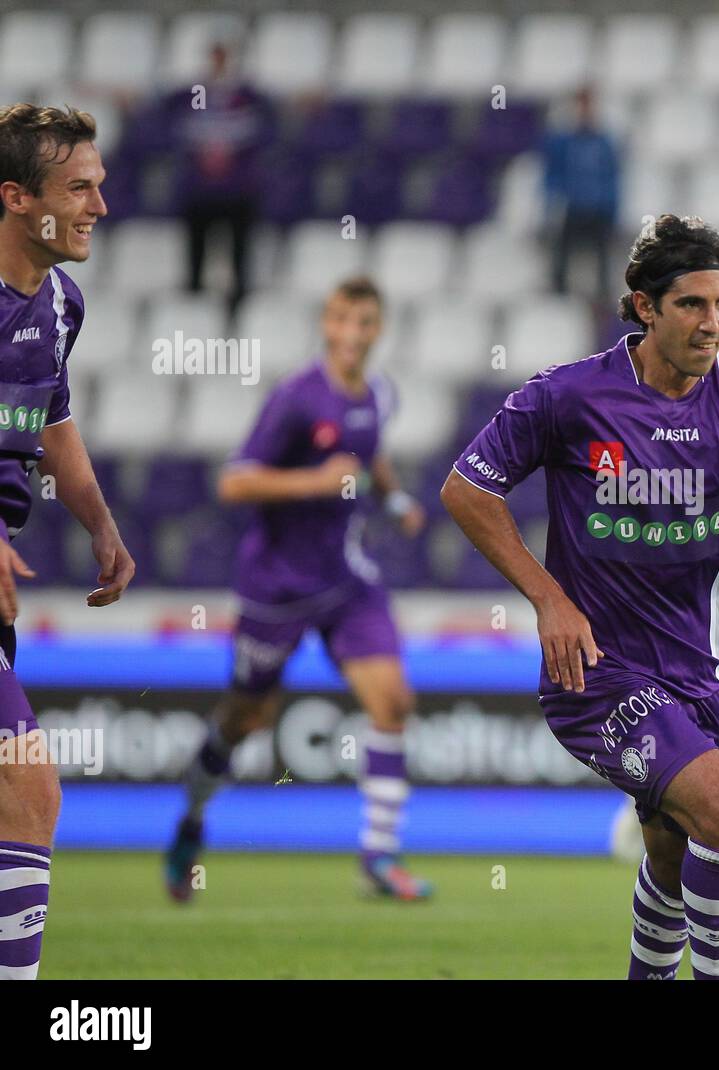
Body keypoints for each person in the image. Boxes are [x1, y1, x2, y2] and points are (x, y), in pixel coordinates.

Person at [440, 214, 719, 980]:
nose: (712, 322)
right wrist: (550, 600)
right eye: (691, 304)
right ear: (645, 306)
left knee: (675, 857)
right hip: (597, 672)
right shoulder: (569, 397)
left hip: (695, 675)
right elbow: (467, 490)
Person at [165, 277, 432, 902]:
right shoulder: (295, 399)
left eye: (366, 321)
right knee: (244, 719)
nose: (353, 333)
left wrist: (393, 500)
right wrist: (316, 482)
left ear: (377, 329)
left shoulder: (379, 393)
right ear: (327, 324)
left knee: (392, 702)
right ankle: (191, 821)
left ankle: (380, 856)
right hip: (276, 588)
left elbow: (370, 456)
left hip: (345, 579)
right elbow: (235, 483)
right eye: (343, 319)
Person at [0, 104, 135, 978]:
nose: (99, 205)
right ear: (15, 197)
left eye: (100, 184)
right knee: (28, 786)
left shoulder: (60, 303)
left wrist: (100, 521)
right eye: (78, 188)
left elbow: (50, 419)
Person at [168, 42, 275, 313]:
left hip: (238, 190)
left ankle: (238, 309)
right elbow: (176, 125)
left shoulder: (248, 95)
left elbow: (261, 130)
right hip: (200, 191)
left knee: (239, 254)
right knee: (196, 254)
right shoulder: (191, 93)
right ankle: (193, 311)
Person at [543, 86, 620, 301]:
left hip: (598, 207)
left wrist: (611, 207)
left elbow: (612, 176)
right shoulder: (562, 141)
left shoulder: (604, 142)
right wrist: (553, 201)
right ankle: (558, 290)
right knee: (562, 247)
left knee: (603, 251)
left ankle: (603, 294)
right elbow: (553, 174)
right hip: (572, 206)